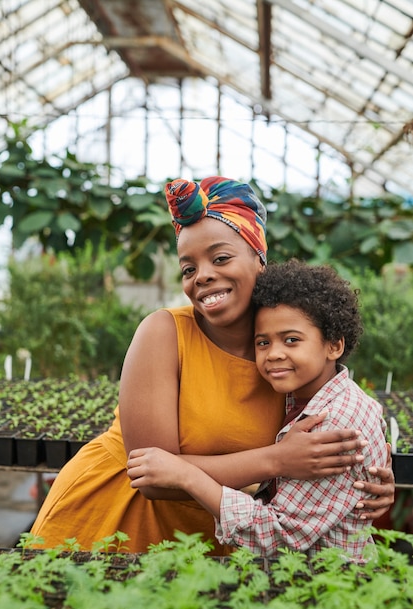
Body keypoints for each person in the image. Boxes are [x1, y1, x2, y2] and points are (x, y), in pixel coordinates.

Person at [31, 177, 394, 554]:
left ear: (260, 259)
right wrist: (276, 460)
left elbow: (338, 415)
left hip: (216, 536)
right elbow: (152, 477)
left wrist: (367, 480)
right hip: (111, 524)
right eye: (188, 268)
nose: (201, 275)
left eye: (220, 258)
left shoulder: (284, 354)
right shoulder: (164, 333)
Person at [127, 259, 388, 560]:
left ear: (334, 345)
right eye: (262, 343)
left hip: (320, 585)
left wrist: (187, 475)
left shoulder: (335, 422)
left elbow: (278, 537)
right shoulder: (296, 394)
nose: (274, 354)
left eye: (291, 340)